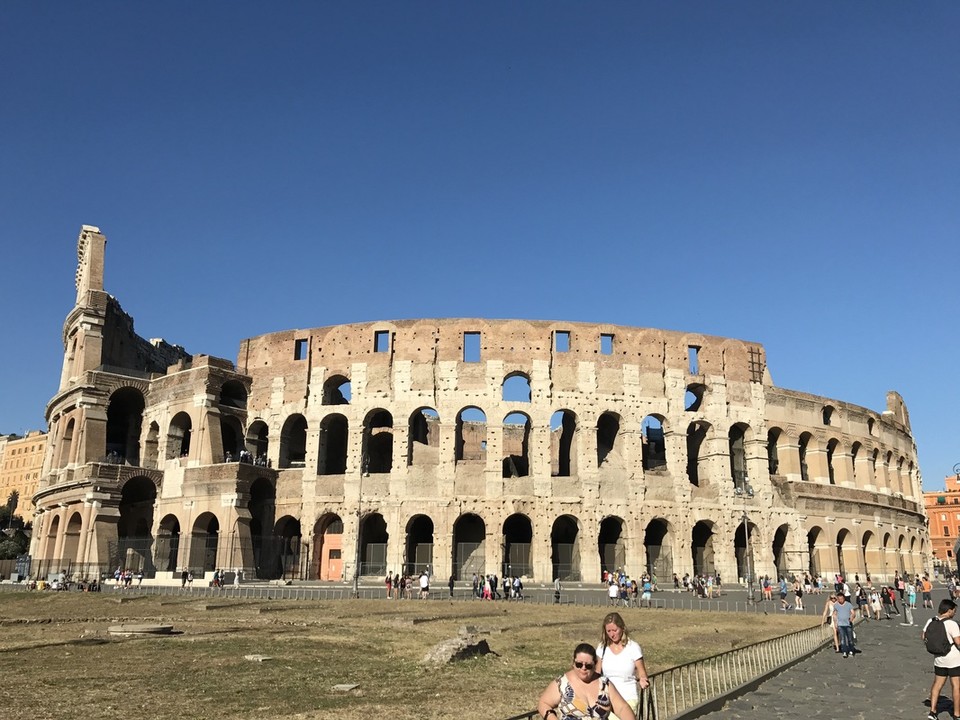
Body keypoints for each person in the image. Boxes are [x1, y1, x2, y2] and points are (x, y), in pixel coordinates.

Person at [538, 643, 635, 720]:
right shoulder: (562, 683)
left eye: (588, 666)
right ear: (573, 662)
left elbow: (622, 708)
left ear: (595, 665)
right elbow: (543, 703)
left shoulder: (604, 684)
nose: (583, 668)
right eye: (579, 664)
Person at [595, 612, 649, 717]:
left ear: (622, 628)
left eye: (615, 630)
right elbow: (597, 673)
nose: (612, 634)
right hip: (607, 699)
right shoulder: (602, 648)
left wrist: (643, 679)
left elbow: (642, 672)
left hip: (628, 697)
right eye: (608, 631)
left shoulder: (633, 647)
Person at [924, 599, 960, 720]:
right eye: (954, 611)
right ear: (949, 611)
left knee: (937, 684)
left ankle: (933, 712)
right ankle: (956, 714)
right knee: (956, 686)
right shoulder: (952, 624)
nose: (954, 613)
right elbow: (958, 642)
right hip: (954, 660)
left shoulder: (931, 620)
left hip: (939, 659)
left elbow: (923, 636)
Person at [833, 592, 858, 658]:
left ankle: (851, 650)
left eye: (842, 599)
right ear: (837, 599)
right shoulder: (836, 605)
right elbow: (835, 614)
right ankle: (844, 651)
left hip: (848, 624)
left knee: (850, 639)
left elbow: (853, 613)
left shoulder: (848, 605)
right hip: (840, 625)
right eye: (839, 599)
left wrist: (852, 618)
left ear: (844, 598)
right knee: (842, 639)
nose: (840, 600)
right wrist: (835, 623)